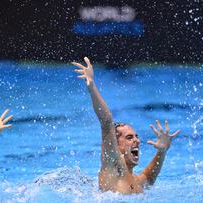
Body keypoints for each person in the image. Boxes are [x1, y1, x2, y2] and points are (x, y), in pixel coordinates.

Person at [72, 57, 181, 194]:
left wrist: (162, 151)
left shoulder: (134, 180)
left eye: (136, 136)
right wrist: (92, 87)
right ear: (116, 146)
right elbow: (106, 122)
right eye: (129, 137)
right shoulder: (113, 167)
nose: (137, 140)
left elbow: (149, 178)